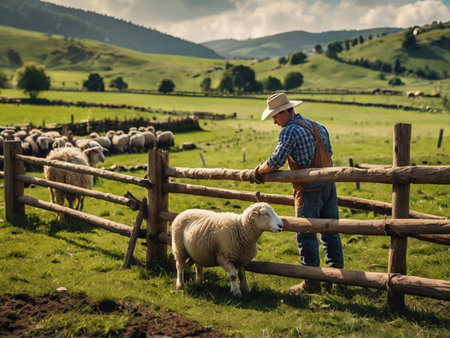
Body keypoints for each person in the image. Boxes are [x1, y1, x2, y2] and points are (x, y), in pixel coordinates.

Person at [250, 92, 344, 294]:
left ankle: (311, 282)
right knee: (330, 231)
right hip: (329, 185)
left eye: (275, 116)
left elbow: (276, 162)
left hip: (308, 188)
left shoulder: (290, 131)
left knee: (305, 233)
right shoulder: (318, 126)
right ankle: (336, 279)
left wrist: (258, 171)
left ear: (285, 112)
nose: (275, 122)